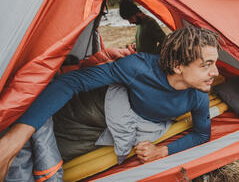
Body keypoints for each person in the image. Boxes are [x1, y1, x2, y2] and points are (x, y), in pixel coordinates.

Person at [0, 26, 221, 181]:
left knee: (51, 154)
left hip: (123, 128)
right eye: (207, 65)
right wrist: (15, 139)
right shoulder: (138, 67)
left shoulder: (198, 95)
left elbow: (202, 134)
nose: (216, 72)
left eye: (215, 63)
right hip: (102, 107)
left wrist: (162, 151)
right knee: (30, 133)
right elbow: (73, 81)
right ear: (178, 66)